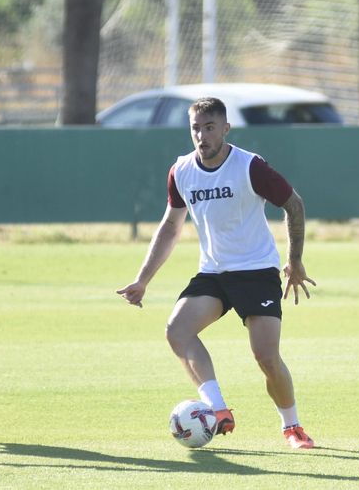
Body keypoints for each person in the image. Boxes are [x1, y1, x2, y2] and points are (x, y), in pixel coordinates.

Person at [116, 97, 316, 449]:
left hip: (256, 270)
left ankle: (292, 427)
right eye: (196, 128)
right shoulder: (181, 171)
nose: (202, 135)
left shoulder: (250, 166)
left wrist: (294, 259)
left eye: (210, 128)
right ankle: (218, 409)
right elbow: (171, 227)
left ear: (225, 128)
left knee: (266, 357)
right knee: (177, 331)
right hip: (214, 273)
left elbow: (294, 204)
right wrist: (142, 279)